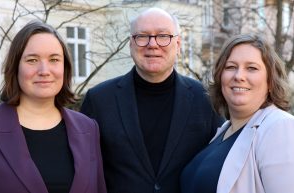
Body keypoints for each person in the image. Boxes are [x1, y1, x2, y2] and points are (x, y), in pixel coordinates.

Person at [80, 7, 223, 193]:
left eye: (163, 36)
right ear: (131, 44)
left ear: (178, 45)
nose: (152, 44)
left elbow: (220, 162)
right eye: (142, 36)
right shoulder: (99, 100)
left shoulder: (205, 99)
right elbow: (85, 171)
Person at [0, 20, 107, 193]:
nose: (44, 70)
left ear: (65, 68)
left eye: (54, 59)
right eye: (32, 60)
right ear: (15, 67)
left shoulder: (88, 129)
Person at [180, 33, 294, 193]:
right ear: (221, 77)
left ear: (270, 81)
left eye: (252, 68)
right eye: (231, 67)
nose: (239, 76)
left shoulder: (280, 127)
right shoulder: (223, 131)